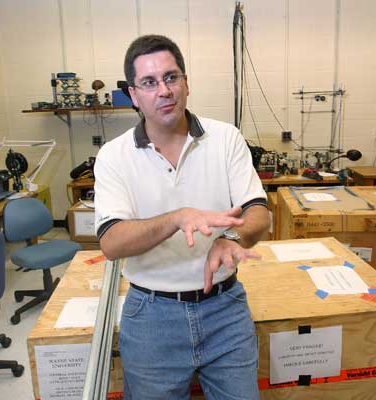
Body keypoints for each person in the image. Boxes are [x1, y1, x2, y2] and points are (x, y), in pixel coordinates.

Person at [94, 34, 269, 399]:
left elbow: (258, 211)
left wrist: (232, 238)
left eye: (171, 77)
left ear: (186, 82)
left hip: (225, 309)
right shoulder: (114, 156)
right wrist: (176, 218)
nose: (164, 91)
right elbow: (111, 242)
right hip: (151, 317)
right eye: (149, 82)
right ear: (133, 94)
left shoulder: (226, 138)